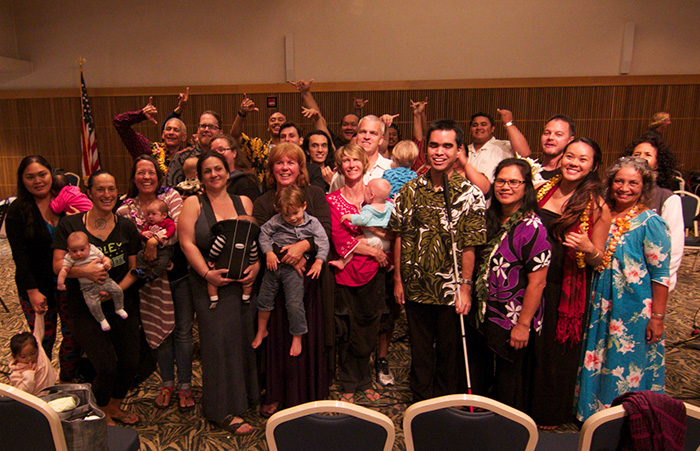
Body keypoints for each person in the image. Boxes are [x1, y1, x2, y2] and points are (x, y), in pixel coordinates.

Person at [390, 118, 487, 401]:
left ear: (459, 151)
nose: (439, 152)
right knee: (419, 351)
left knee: (448, 351)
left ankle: (444, 405)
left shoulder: (470, 194)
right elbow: (400, 236)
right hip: (416, 287)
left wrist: (465, 288)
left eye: (447, 146)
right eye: (433, 145)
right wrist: (398, 280)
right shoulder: (409, 190)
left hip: (450, 289)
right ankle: (419, 404)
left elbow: (470, 246)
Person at [576, 156, 671, 422]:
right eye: (619, 181)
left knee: (625, 361)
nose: (624, 188)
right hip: (600, 299)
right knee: (600, 354)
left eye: (633, 183)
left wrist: (658, 318)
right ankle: (593, 413)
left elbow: (661, 275)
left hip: (632, 307)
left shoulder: (650, 222)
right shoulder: (603, 214)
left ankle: (625, 417)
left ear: (645, 186)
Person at [530, 137, 611, 428]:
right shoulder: (541, 190)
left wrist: (589, 248)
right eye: (570, 156)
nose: (573, 163)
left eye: (582, 159)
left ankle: (548, 414)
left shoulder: (597, 205)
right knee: (528, 348)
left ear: (594, 166)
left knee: (554, 353)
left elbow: (599, 260)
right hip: (531, 281)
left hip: (562, 287)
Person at [179, 151, 259, 434]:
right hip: (208, 284)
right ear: (200, 177)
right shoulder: (192, 203)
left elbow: (255, 238)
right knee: (216, 346)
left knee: (241, 341)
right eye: (207, 171)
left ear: (228, 171)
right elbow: (187, 242)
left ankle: (244, 400)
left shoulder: (245, 201)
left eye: (219, 169)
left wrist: (257, 265)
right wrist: (206, 273)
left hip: (243, 286)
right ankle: (220, 409)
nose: (214, 174)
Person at [52, 170, 141, 426]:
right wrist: (84, 271)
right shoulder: (70, 225)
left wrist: (116, 290)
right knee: (105, 366)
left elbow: (136, 269)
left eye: (111, 189)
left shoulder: (126, 226)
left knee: (130, 362)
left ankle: (115, 406)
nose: (107, 194)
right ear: (89, 192)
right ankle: (101, 409)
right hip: (84, 308)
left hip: (121, 302)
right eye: (100, 189)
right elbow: (58, 265)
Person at [253, 142, 332, 417]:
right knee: (278, 339)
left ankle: (309, 394)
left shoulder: (315, 194)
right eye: (279, 163)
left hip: (310, 281)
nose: (285, 168)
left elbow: (325, 233)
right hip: (277, 279)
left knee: (305, 336)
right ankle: (276, 393)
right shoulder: (264, 201)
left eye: (291, 162)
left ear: (300, 167)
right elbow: (262, 239)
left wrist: (304, 249)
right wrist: (291, 255)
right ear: (271, 168)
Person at [116, 155, 195, 412]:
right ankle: (167, 384)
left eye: (151, 171)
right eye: (141, 172)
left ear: (157, 175)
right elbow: (128, 243)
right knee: (159, 334)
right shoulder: (124, 209)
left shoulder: (171, 197)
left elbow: (180, 231)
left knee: (183, 333)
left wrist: (152, 242)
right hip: (149, 283)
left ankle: (185, 385)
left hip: (178, 276)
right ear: (133, 177)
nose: (146, 177)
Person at [475, 158, 551, 411]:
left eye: (514, 182)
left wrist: (523, 325)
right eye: (501, 181)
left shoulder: (531, 227)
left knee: (508, 383)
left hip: (515, 317)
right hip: (489, 312)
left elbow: (538, 283)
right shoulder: (491, 219)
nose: (506, 187)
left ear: (526, 187)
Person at [6, 155, 80, 383]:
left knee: (73, 336)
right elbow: (20, 256)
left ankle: (68, 380)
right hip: (36, 286)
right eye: (30, 177)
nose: (38, 181)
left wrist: (78, 220)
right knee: (42, 340)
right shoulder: (18, 210)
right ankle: (42, 383)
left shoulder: (63, 202)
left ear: (51, 174)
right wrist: (32, 291)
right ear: (22, 180)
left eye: (42, 174)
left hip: (68, 283)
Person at [327, 143, 389, 404]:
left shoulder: (377, 196)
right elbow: (340, 240)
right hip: (345, 274)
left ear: (364, 164)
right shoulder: (332, 200)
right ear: (340, 166)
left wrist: (381, 244)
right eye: (346, 161)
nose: (351, 165)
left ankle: (364, 379)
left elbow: (390, 232)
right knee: (346, 330)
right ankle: (349, 381)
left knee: (368, 328)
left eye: (356, 160)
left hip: (374, 275)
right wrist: (374, 251)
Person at [253, 185, 329, 357]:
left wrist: (318, 262)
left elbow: (323, 241)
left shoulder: (312, 223)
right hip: (274, 266)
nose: (292, 219)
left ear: (303, 205)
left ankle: (297, 335)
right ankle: (261, 330)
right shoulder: (277, 220)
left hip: (294, 271)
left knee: (294, 304)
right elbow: (263, 234)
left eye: (295, 213)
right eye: (287, 215)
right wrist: (269, 252)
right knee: (264, 299)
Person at [623, 132, 684, 290]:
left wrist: (662, 283)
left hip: (650, 281)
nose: (641, 158)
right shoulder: (618, 195)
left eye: (647, 155)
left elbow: (674, 248)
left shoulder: (667, 198)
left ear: (657, 164)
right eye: (637, 154)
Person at [57, 231, 127, 331]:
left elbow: (104, 258)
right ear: (68, 250)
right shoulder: (69, 258)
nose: (78, 254)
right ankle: (101, 320)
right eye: (74, 251)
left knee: (118, 290)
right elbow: (64, 270)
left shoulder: (93, 250)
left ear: (89, 246)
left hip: (104, 280)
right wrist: (60, 282)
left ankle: (119, 308)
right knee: (92, 304)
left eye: (82, 249)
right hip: (87, 287)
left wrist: (107, 262)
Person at [113, 90, 189, 172]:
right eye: (168, 129)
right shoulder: (149, 150)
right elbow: (119, 122)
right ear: (163, 134)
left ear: (184, 137)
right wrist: (141, 115)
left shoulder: (188, 158)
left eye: (176, 130)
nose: (171, 133)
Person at [330, 177, 393, 270]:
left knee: (357, 241)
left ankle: (343, 262)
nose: (364, 188)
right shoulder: (388, 205)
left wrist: (350, 217)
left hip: (374, 239)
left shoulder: (369, 208)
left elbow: (362, 220)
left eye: (367, 187)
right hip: (386, 242)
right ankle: (390, 264)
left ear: (372, 195)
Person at [328, 115, 393, 192]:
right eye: (363, 132)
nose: (367, 137)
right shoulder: (344, 170)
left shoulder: (391, 167)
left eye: (373, 133)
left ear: (380, 140)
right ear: (357, 136)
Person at [231, 93, 286, 181]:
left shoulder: (293, 146)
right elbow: (235, 136)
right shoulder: (258, 146)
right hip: (261, 190)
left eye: (280, 120)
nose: (276, 122)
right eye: (272, 120)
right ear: (268, 127)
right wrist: (242, 113)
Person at [467, 110, 531, 183]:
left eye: (483, 124)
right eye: (475, 125)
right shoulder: (463, 151)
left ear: (492, 129)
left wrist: (508, 123)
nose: (479, 128)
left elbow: (524, 153)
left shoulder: (503, 146)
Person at [165, 110, 224, 186]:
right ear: (198, 130)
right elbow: (167, 190)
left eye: (211, 127)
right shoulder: (181, 157)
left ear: (220, 132)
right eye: (203, 126)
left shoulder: (224, 156)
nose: (206, 129)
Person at [9, 310, 58, 395]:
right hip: (41, 400)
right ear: (15, 357)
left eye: (32, 353)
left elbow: (39, 329)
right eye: (23, 357)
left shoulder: (39, 353)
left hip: (55, 388)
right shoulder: (16, 374)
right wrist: (28, 374)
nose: (29, 358)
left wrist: (39, 313)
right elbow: (24, 393)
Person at [131, 199, 176, 282]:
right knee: (140, 255)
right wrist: (144, 234)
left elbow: (172, 228)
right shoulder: (149, 225)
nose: (150, 217)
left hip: (164, 249)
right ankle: (141, 270)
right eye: (148, 214)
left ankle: (154, 274)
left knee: (163, 261)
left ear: (164, 215)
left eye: (154, 214)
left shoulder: (166, 222)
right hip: (149, 249)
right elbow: (142, 233)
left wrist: (166, 235)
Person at [209, 134, 261, 202]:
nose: (217, 154)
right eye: (213, 152)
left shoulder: (245, 183)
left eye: (221, 150)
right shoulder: (210, 181)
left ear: (234, 153)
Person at [539, 115, 576, 181]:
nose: (550, 137)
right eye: (547, 133)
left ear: (570, 140)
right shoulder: (530, 171)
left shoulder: (570, 175)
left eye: (558, 134)